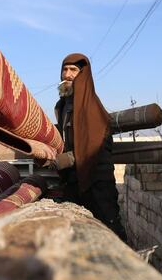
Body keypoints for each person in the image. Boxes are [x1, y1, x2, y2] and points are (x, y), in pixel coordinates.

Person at [53, 53, 127, 241]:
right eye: (65, 69)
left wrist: (67, 158)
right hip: (73, 180)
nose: (67, 75)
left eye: (73, 70)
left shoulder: (90, 106)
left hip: (96, 181)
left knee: (109, 231)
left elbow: (93, 147)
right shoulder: (62, 106)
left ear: (83, 75)